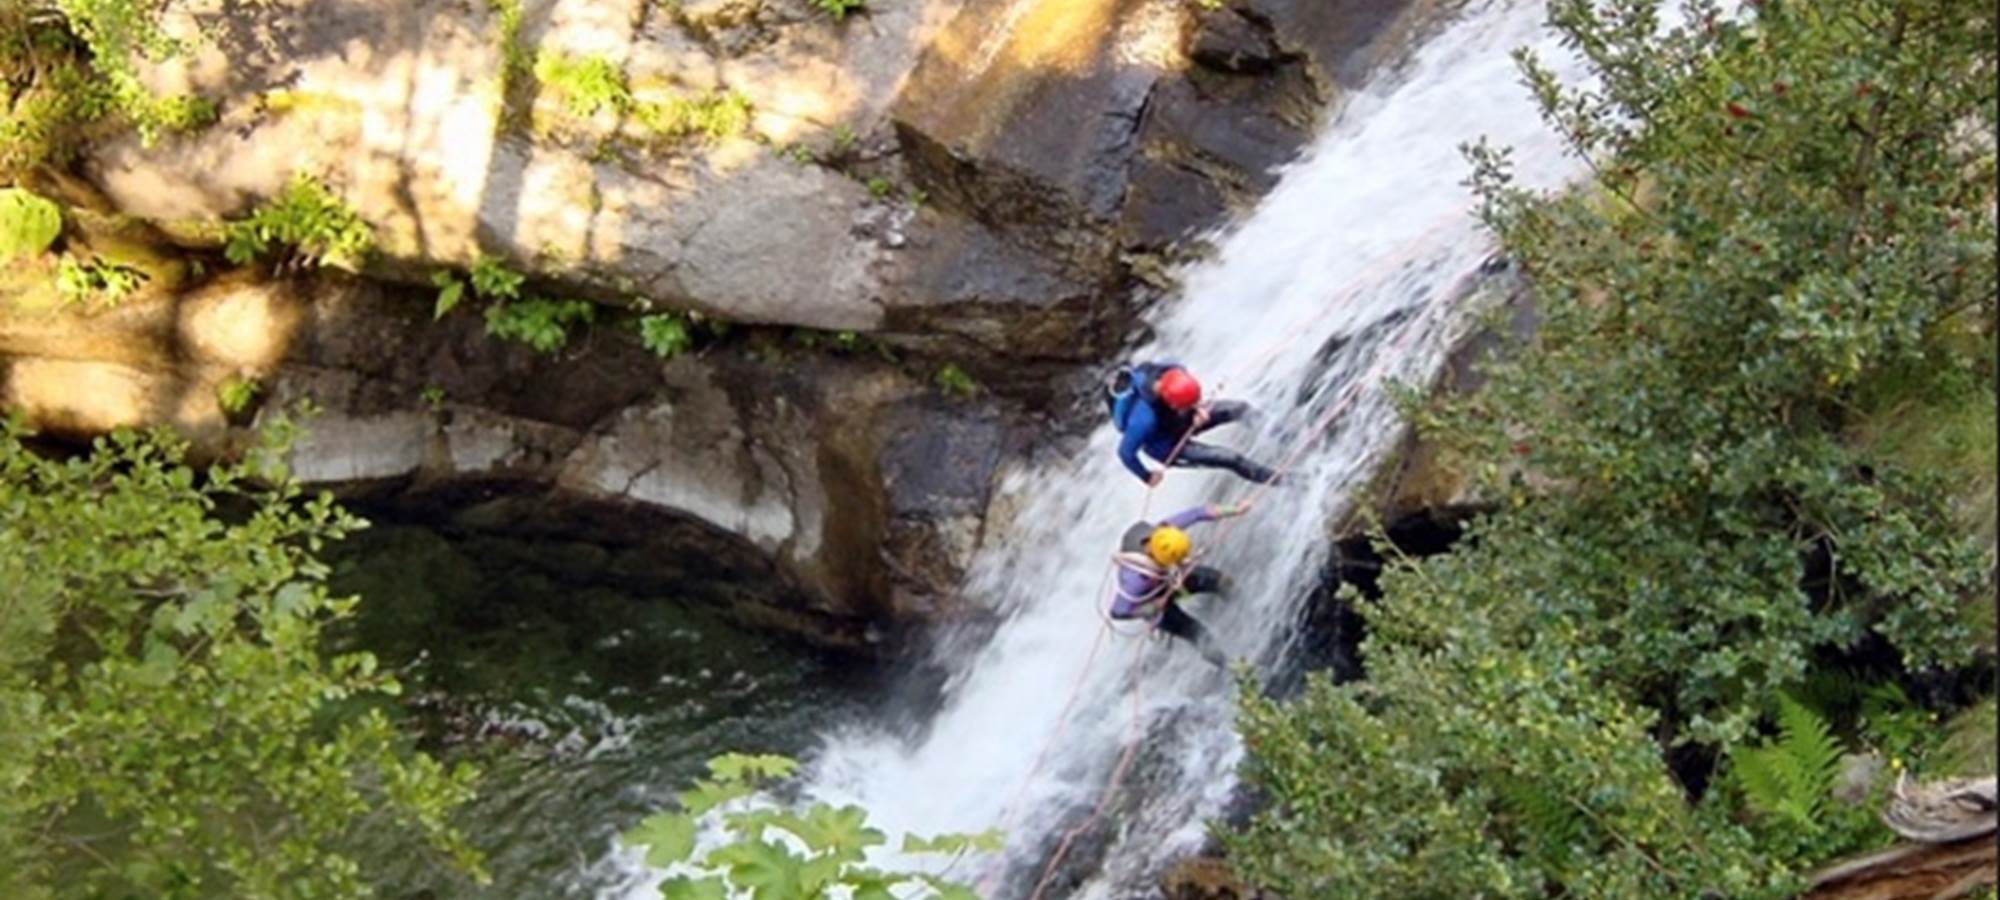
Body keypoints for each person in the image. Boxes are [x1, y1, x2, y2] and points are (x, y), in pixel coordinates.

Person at [1110, 501, 1252, 667]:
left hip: (1170, 579)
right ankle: (1232, 667)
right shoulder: (1136, 580)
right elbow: (1117, 612)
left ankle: (1247, 610)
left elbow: (1197, 513)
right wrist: (1152, 607)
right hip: (1152, 601)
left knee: (1222, 582)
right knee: (1197, 633)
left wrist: (1235, 510)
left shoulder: (1163, 533)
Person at [1104, 361, 1280, 487]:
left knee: (1240, 409)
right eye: (1185, 406)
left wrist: (1196, 408)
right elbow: (1125, 453)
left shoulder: (1172, 368)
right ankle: (1285, 481)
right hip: (1167, 445)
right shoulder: (1143, 421)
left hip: (1180, 418)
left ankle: (1285, 436)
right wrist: (1146, 476)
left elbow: (1183, 383)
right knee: (1231, 459)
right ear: (1173, 405)